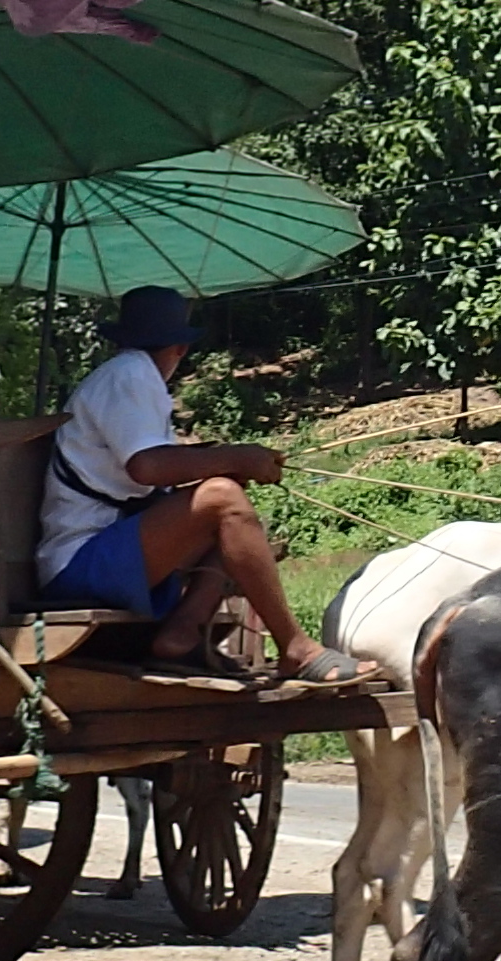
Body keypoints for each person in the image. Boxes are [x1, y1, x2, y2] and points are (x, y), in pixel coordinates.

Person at [37, 285, 364, 685]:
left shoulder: (126, 375)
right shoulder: (131, 374)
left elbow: (150, 469)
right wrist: (236, 457)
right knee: (222, 499)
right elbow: (148, 466)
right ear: (180, 348)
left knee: (225, 503)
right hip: (79, 560)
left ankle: (181, 633)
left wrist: (228, 461)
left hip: (103, 551)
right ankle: (295, 648)